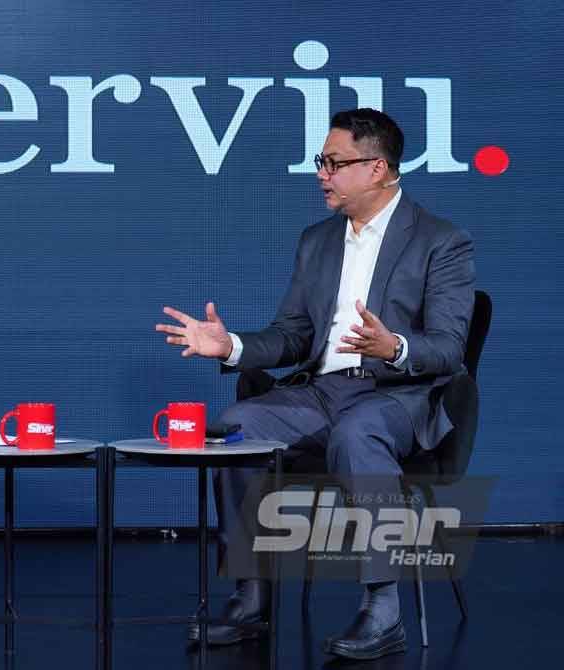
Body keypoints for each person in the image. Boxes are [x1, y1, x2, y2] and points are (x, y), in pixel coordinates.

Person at [156, 108, 475, 660]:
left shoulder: (440, 241)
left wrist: (394, 347)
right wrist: (230, 346)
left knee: (358, 433)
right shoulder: (318, 240)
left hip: (398, 396)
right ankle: (252, 597)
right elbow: (293, 335)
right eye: (320, 162)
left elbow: (449, 348)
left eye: (333, 163)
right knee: (236, 427)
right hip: (322, 392)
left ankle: (382, 608)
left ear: (377, 168)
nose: (321, 174)